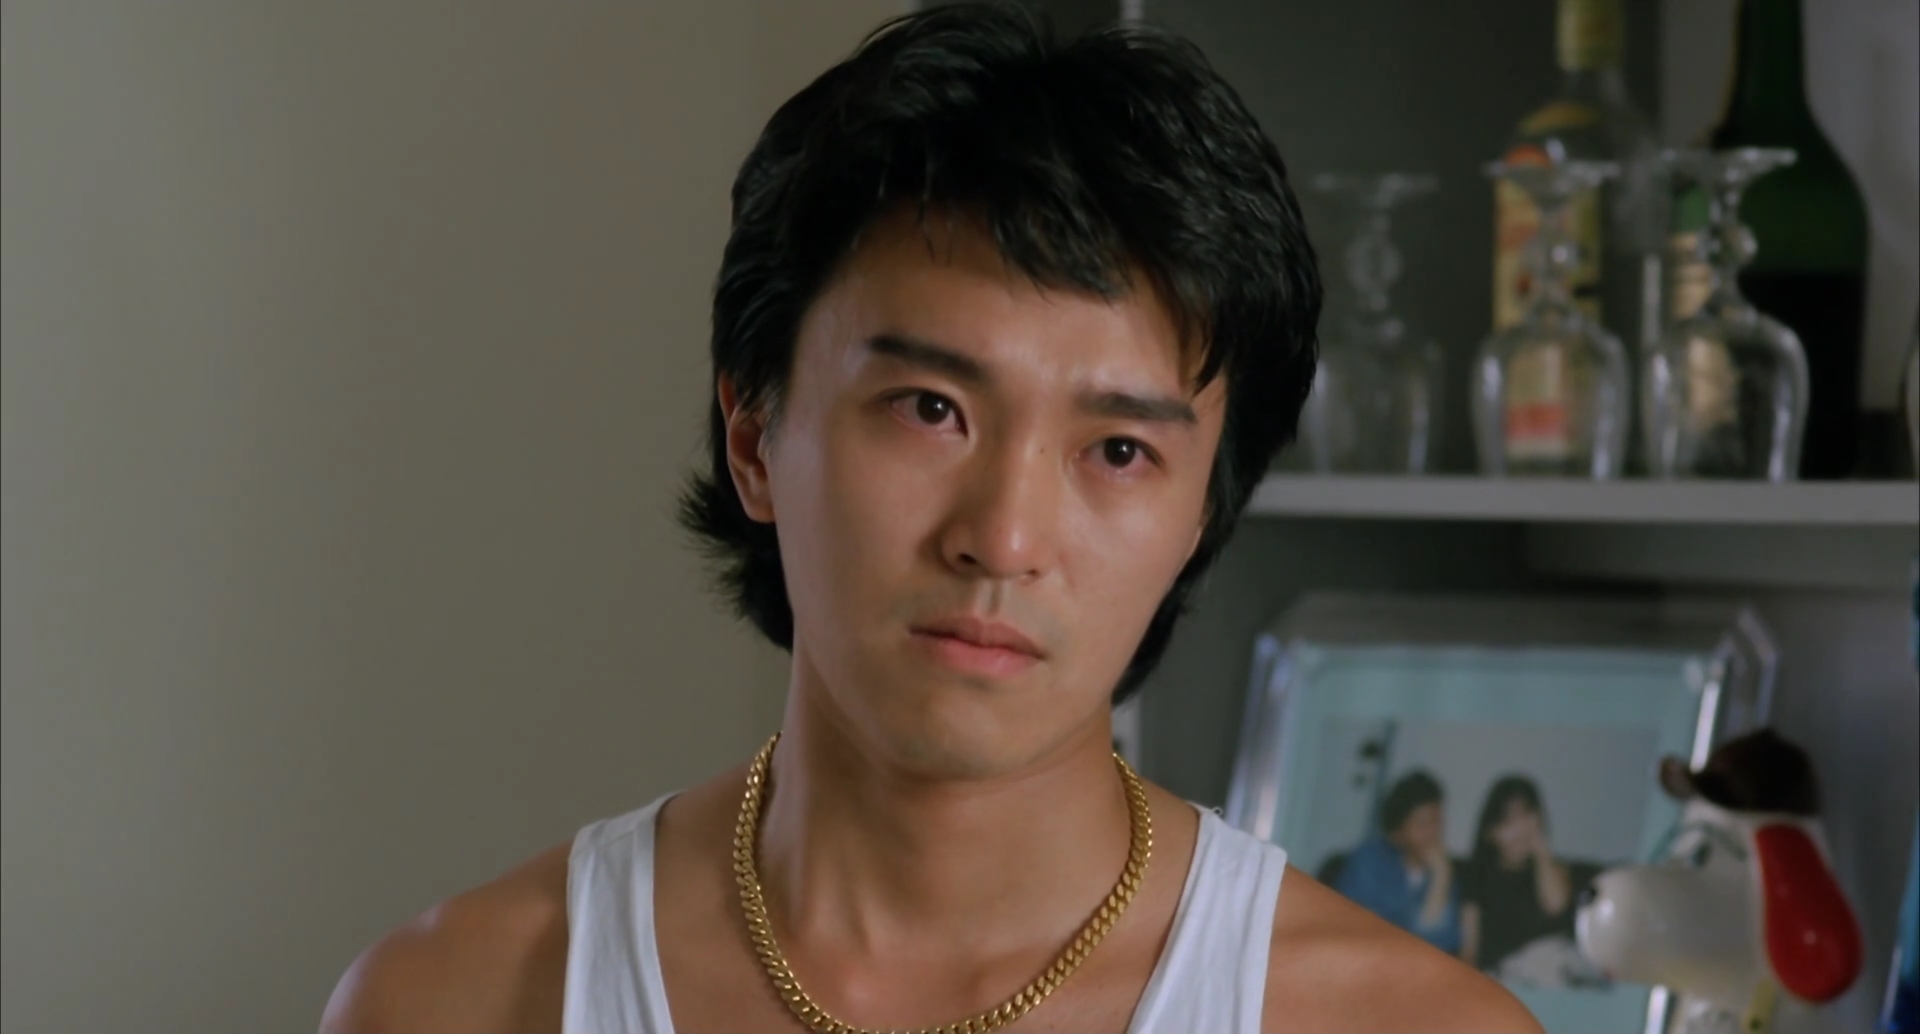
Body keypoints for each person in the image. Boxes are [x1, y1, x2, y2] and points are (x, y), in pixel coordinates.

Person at [319, 6, 1539, 1032]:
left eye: (1118, 451)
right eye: (929, 409)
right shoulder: (459, 1001)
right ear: (754, 436)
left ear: (1203, 515)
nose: (1002, 538)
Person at [1459, 775, 1604, 985]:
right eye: (1508, 821)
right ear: (1491, 832)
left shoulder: (1551, 868)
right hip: (1504, 977)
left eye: (1526, 816)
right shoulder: (1477, 875)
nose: (1519, 828)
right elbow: (1469, 948)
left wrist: (1541, 849)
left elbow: (1555, 905)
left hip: (1555, 972)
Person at [1333, 770, 1463, 955]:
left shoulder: (1442, 871)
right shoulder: (1369, 862)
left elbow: (1440, 946)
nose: (1432, 833)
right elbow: (1357, 931)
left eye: (1437, 821)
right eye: (1422, 825)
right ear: (1398, 833)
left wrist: (1441, 878)